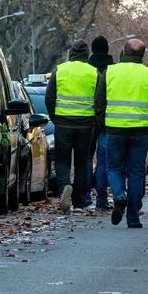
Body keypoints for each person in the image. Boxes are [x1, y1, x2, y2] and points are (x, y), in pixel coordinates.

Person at [95, 39, 148, 228]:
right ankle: (133, 218)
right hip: (140, 132)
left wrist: (104, 126)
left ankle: (119, 195)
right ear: (142, 55)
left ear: (123, 52)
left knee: (114, 168)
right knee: (136, 173)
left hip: (114, 131)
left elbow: (99, 103)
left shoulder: (110, 72)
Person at [45, 39, 102, 213]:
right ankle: (79, 199)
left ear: (71, 53)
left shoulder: (60, 70)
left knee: (62, 160)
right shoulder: (94, 72)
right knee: (82, 162)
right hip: (86, 124)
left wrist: (55, 118)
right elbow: (99, 101)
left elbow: (49, 98)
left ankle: (64, 190)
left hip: (63, 122)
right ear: (87, 55)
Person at [88, 35, 115, 210]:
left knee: (86, 159)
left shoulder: (86, 69)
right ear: (107, 50)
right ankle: (101, 198)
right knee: (104, 161)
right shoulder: (113, 70)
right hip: (107, 121)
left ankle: (83, 195)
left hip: (86, 120)